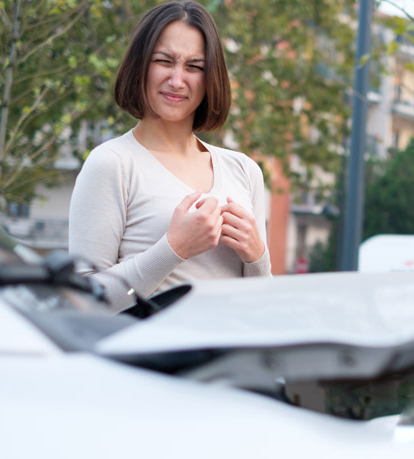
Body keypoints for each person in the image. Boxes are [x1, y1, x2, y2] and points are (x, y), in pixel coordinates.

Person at [69, 1, 270, 311]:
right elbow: (81, 301)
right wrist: (173, 249)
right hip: (144, 358)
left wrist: (257, 257)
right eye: (165, 61)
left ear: (210, 78)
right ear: (141, 65)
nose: (177, 80)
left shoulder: (244, 170)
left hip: (227, 356)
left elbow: (263, 306)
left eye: (194, 66)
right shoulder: (112, 163)